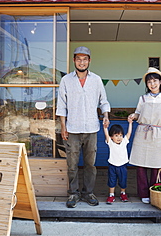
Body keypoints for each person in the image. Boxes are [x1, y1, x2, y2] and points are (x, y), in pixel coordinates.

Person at [56, 46, 111, 208]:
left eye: (85, 59)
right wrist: (63, 127)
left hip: (92, 128)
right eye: (78, 59)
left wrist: (106, 115)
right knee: (72, 164)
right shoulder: (66, 80)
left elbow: (104, 100)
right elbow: (61, 105)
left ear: (89, 61)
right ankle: (73, 193)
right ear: (74, 60)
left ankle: (88, 193)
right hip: (72, 129)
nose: (81, 62)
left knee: (90, 164)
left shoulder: (96, 80)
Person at [128, 67, 161, 204]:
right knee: (140, 165)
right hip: (142, 132)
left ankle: (154, 191)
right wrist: (133, 116)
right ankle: (143, 193)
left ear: (160, 82)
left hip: (157, 133)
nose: (152, 84)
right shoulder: (143, 99)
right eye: (149, 82)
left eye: (155, 81)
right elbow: (138, 114)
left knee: (156, 166)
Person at [103, 119, 133, 204]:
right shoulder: (110, 143)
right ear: (111, 136)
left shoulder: (124, 141)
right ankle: (111, 195)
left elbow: (129, 133)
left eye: (120, 135)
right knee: (111, 180)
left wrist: (130, 123)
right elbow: (106, 135)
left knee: (123, 180)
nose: (119, 137)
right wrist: (105, 127)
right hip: (112, 165)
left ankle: (123, 193)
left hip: (123, 166)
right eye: (116, 135)